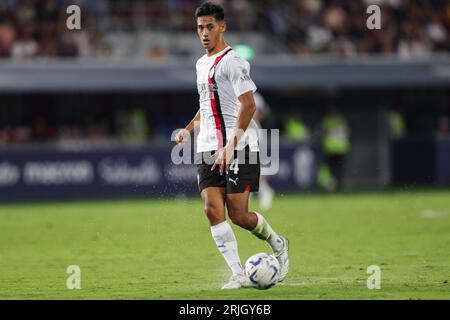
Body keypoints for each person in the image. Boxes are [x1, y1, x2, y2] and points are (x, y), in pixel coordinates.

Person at [174, 2, 289, 290]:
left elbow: (248, 105)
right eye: (200, 27)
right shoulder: (200, 64)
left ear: (222, 26)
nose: (204, 33)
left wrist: (231, 144)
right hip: (208, 146)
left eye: (210, 26)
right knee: (212, 209)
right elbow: (206, 106)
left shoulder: (234, 61)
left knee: (238, 215)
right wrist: (188, 129)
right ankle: (238, 273)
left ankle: (278, 242)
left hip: (240, 146)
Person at [318, 105, 350, 191]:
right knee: (329, 169)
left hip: (340, 149)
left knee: (339, 169)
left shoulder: (341, 119)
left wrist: (333, 131)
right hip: (330, 149)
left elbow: (347, 131)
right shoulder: (327, 120)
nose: (333, 112)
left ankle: (339, 185)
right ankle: (329, 185)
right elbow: (322, 131)